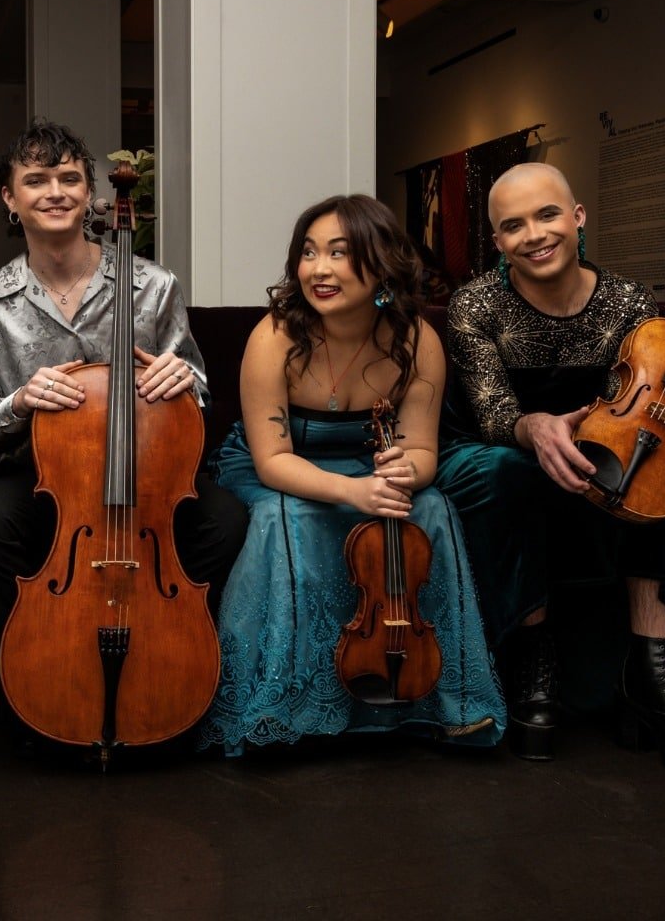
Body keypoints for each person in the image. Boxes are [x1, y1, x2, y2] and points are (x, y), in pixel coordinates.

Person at [433, 161, 665, 781]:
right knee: (512, 470)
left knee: (658, 467)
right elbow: (493, 414)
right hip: (495, 446)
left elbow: (660, 403)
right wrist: (537, 428)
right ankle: (533, 658)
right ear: (497, 241)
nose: (534, 235)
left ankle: (654, 674)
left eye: (547, 215)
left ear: (577, 218)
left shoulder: (627, 300)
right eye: (513, 225)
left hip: (598, 435)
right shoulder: (475, 305)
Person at [0, 118, 247, 734]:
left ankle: (166, 666)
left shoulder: (153, 285)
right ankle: (42, 677)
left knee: (225, 517)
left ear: (90, 194)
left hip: (147, 477)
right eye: (36, 180)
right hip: (43, 480)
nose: (55, 192)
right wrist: (19, 401)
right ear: (10, 198)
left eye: (69, 178)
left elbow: (198, 391)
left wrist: (182, 381)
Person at [198, 194, 505, 755]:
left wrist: (404, 472)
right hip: (279, 469)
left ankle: (436, 697)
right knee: (286, 517)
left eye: (339, 253)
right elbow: (272, 461)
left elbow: (422, 452)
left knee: (431, 508)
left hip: (370, 464)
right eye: (309, 253)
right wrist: (353, 492)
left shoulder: (417, 341)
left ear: (381, 263)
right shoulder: (274, 337)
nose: (319, 269)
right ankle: (281, 708)